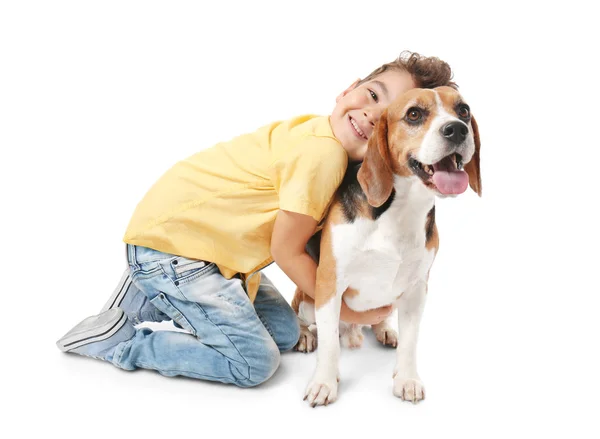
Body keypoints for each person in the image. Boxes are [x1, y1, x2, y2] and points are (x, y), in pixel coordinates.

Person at [56, 51, 456, 387]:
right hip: (179, 252)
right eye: (371, 94)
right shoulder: (322, 155)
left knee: (286, 334)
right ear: (347, 89)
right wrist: (347, 314)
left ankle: (143, 291)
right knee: (253, 363)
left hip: (201, 245)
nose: (371, 115)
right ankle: (123, 341)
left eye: (387, 115)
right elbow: (286, 250)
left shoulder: (318, 132)